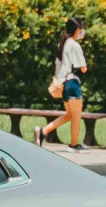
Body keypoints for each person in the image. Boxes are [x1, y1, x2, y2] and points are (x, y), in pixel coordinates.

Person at [38, 18, 89, 151]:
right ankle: (73, 144)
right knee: (76, 116)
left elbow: (58, 66)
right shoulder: (74, 45)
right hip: (72, 83)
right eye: (82, 29)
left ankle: (43, 132)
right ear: (78, 30)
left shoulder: (63, 43)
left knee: (69, 115)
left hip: (64, 84)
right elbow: (83, 68)